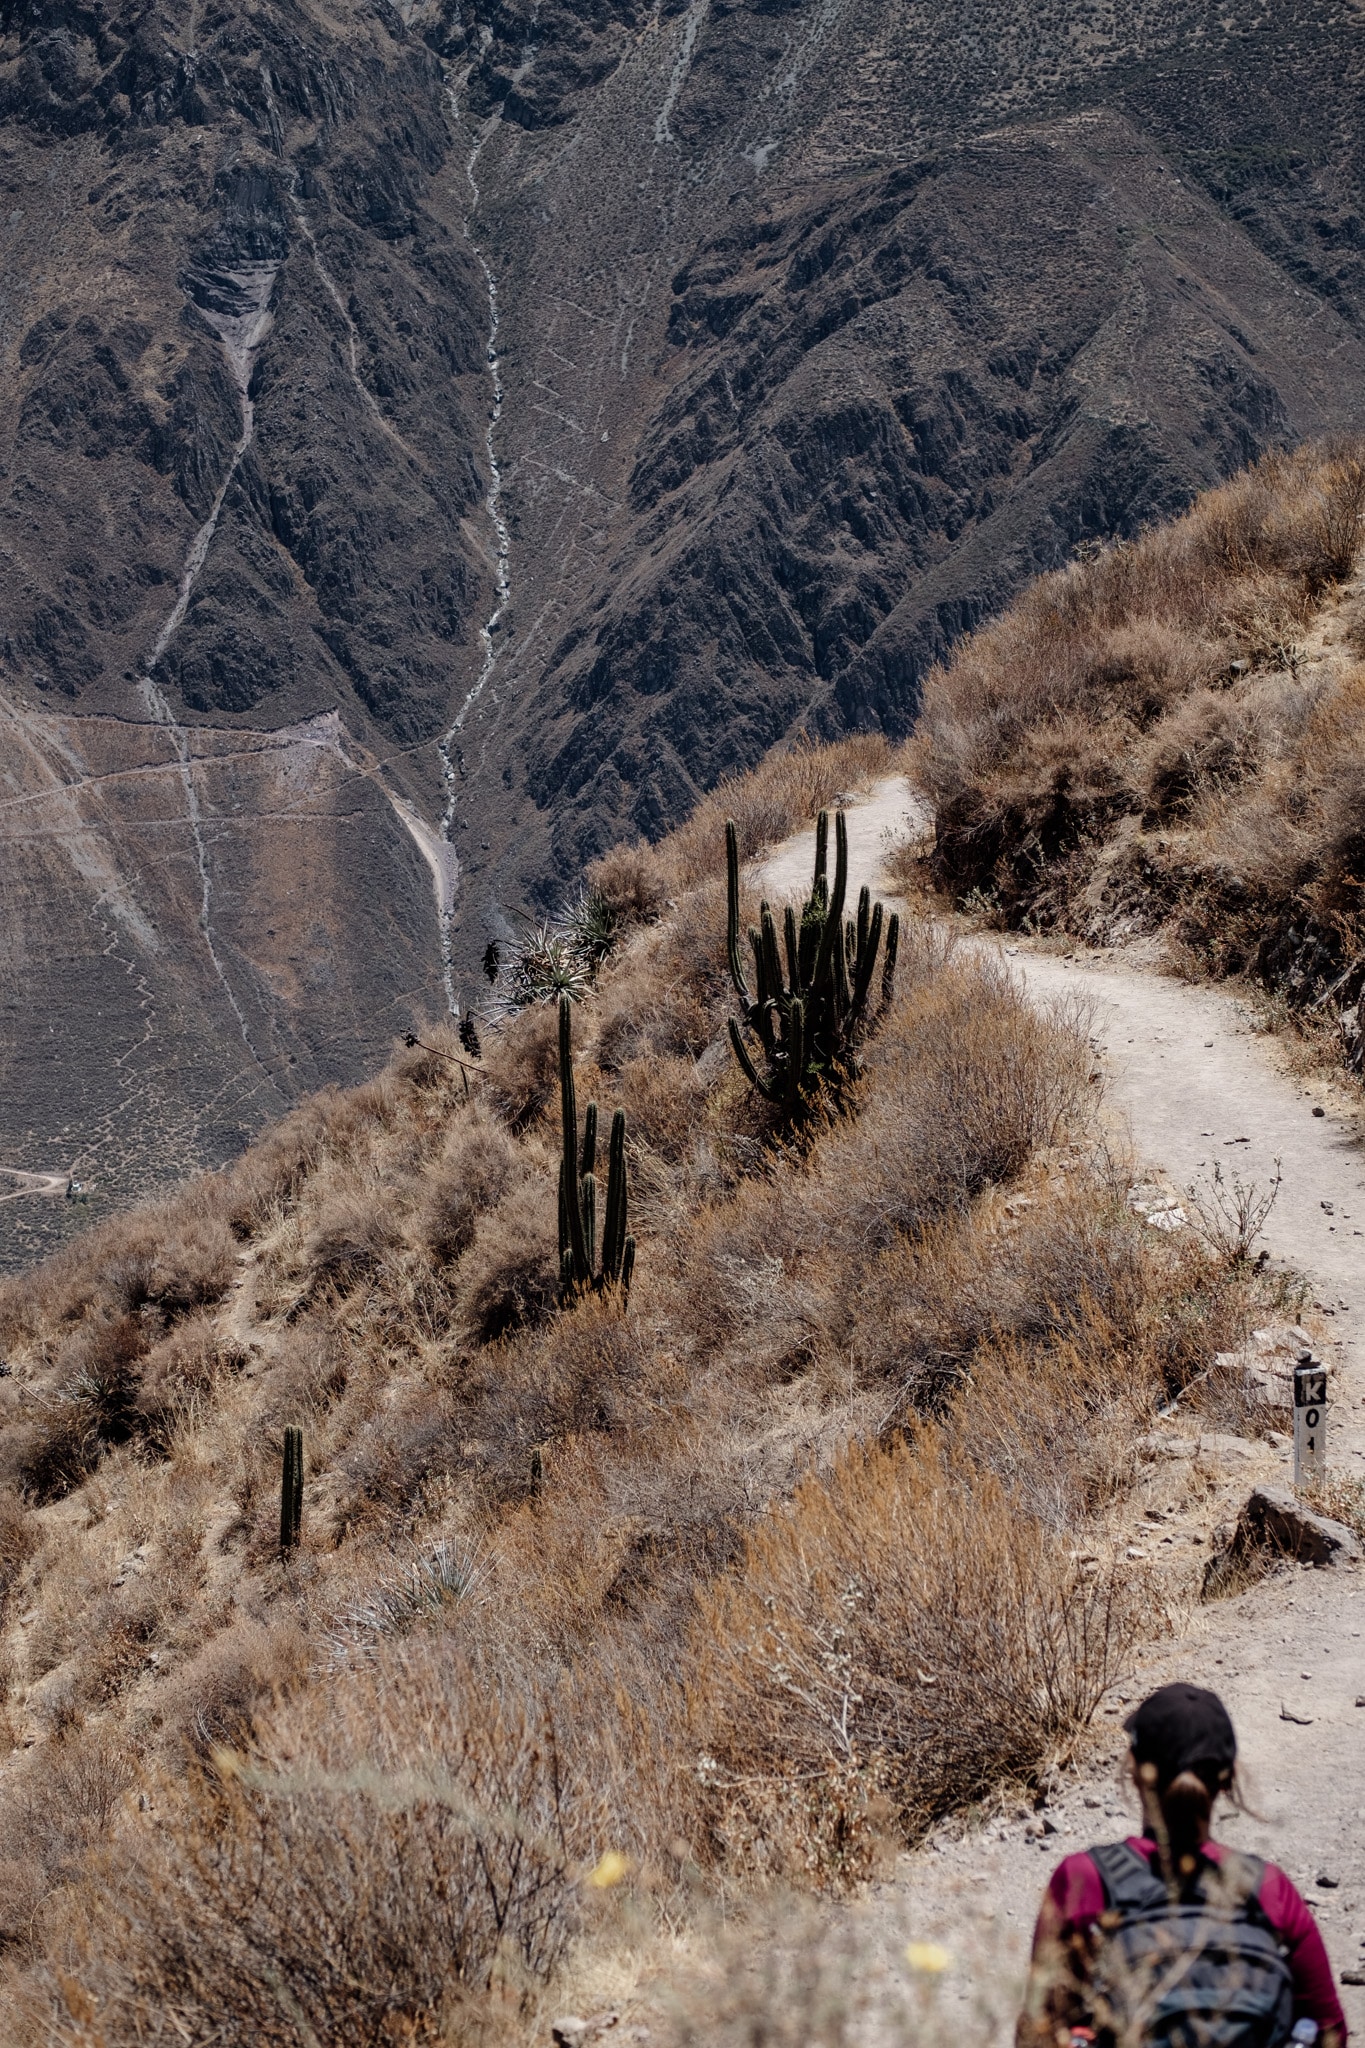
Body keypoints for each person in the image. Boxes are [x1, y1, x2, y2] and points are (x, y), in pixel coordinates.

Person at [1018, 1684, 1347, 2048]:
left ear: (1135, 1770)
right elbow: (1329, 2030)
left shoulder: (1084, 1879)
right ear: (1227, 1780)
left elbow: (1040, 2029)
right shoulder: (1269, 1888)